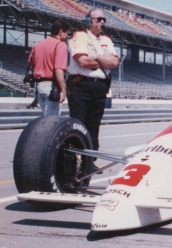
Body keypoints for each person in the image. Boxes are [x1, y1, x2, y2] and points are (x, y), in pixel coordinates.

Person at [66, 8, 119, 171]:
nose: (102, 22)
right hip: (80, 85)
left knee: (94, 125)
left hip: (100, 86)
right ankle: (72, 162)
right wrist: (104, 60)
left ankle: (90, 162)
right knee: (78, 124)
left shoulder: (106, 39)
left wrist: (95, 56)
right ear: (89, 21)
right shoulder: (79, 36)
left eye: (104, 20)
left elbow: (115, 63)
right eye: (99, 19)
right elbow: (82, 61)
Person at [28, 19, 70, 116]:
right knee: (51, 122)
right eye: (67, 33)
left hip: (38, 86)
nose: (67, 36)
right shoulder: (60, 45)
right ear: (61, 32)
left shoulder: (37, 44)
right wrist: (63, 90)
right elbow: (58, 69)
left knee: (45, 118)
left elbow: (31, 66)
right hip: (51, 87)